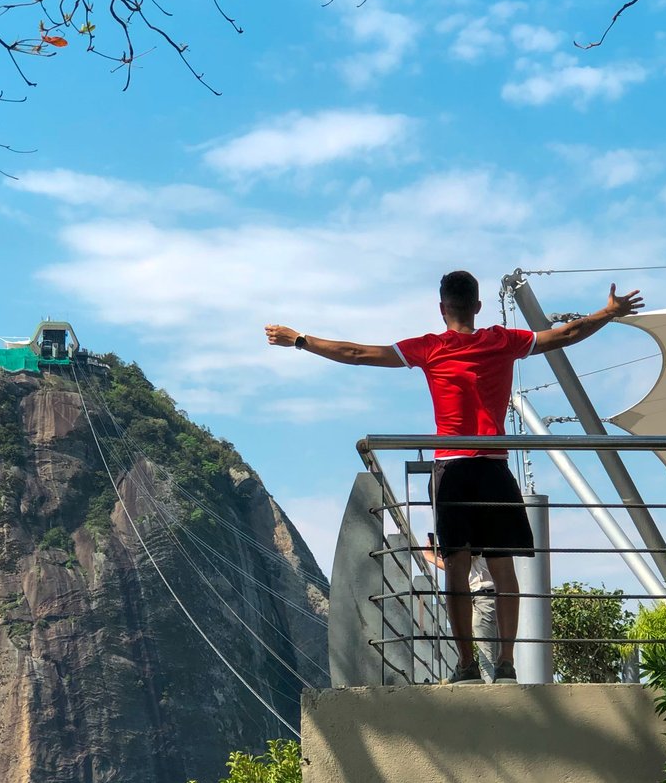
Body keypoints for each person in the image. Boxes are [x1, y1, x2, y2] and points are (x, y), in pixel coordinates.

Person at [265, 271, 644, 684]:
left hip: (452, 469)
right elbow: (567, 334)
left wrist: (299, 339)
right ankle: (506, 661)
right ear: (478, 306)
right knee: (503, 572)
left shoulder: (431, 348)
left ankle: (465, 664)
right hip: (494, 467)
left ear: (442, 307)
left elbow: (357, 353)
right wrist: (609, 312)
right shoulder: (502, 341)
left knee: (458, 570)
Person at [422, 543, 499, 682]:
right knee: (492, 654)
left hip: (483, 597)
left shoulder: (476, 542)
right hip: (491, 597)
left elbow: (459, 567)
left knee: (487, 658)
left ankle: (491, 696)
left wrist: (432, 557)